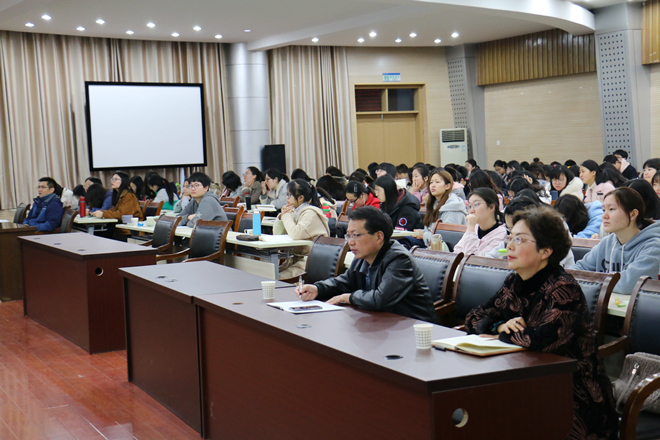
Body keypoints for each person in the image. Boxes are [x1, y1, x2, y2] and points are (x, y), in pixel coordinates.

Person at [465, 206, 618, 439]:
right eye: (510, 237)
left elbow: (541, 341)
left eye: (519, 239)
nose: (510, 245)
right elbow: (473, 317)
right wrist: (499, 325)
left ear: (546, 250)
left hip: (571, 394)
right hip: (524, 382)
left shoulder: (563, 288)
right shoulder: (514, 282)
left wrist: (498, 335)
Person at [296, 206, 436, 322]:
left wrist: (348, 297)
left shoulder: (399, 259)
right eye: (348, 235)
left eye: (356, 235)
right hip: (380, 321)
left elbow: (381, 299)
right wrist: (318, 288)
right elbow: (344, 282)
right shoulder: (363, 255)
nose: (350, 242)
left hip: (412, 327)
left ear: (379, 236)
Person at [571, 188, 660, 294]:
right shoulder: (606, 243)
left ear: (633, 214)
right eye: (603, 210)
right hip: (605, 302)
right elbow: (576, 271)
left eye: (612, 209)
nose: (604, 216)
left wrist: (591, 281)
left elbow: (626, 285)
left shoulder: (652, 247)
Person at [273, 179, 330, 279]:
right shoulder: (295, 211)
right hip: (294, 260)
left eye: (289, 195)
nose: (287, 198)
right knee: (270, 275)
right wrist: (282, 217)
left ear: (300, 198)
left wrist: (286, 215)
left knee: (277, 278)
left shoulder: (310, 213)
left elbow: (296, 234)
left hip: (309, 262)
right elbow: (277, 233)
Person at [413, 168, 467, 246]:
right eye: (431, 182)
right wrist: (419, 233)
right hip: (431, 244)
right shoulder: (434, 204)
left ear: (447, 186)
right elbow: (429, 230)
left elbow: (448, 239)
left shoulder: (454, 208)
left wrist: (424, 235)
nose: (433, 185)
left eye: (437, 182)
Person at [453, 188, 507, 256]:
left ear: (491, 207)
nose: (471, 211)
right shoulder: (475, 227)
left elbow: (472, 259)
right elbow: (457, 250)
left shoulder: (502, 234)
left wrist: (471, 230)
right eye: (470, 206)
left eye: (476, 204)